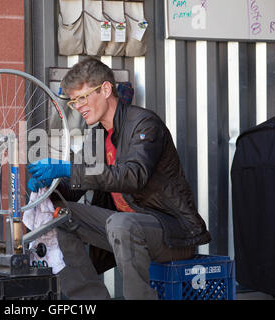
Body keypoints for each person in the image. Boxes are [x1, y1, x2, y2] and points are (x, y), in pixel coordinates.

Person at [27, 57, 211, 300]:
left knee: (121, 223)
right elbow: (75, 187)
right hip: (124, 228)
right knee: (55, 215)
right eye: (74, 101)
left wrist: (67, 168)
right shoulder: (96, 136)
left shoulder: (144, 123)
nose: (78, 106)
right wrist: (50, 186)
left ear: (105, 89)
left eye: (82, 97)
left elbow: (133, 176)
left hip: (171, 233)